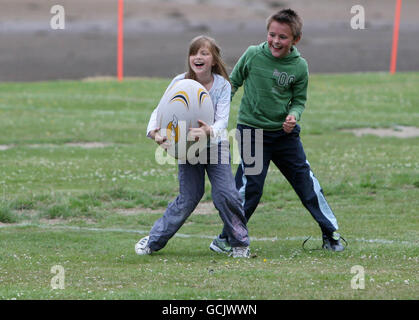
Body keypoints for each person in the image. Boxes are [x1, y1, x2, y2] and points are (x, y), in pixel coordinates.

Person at [210, 9, 345, 253]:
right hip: (251, 132)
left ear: (296, 39)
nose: (275, 41)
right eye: (272, 34)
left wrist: (294, 115)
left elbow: (299, 100)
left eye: (283, 37)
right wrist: (218, 112)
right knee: (249, 188)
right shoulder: (252, 54)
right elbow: (233, 83)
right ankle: (226, 238)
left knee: (307, 184)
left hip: (285, 136)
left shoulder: (299, 66)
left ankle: (331, 233)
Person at [135, 35, 250, 258]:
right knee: (188, 198)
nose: (198, 57)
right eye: (194, 53)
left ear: (214, 60)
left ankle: (240, 244)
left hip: (215, 147)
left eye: (204, 53)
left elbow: (222, 121)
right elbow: (159, 112)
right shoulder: (179, 82)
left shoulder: (223, 86)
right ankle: (153, 241)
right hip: (187, 150)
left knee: (226, 194)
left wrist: (208, 131)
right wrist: (154, 132)